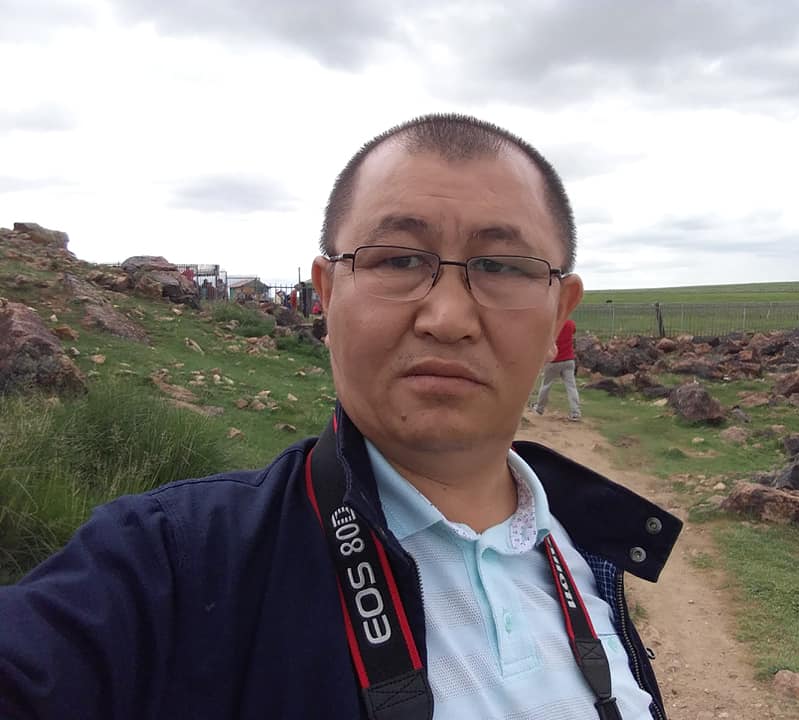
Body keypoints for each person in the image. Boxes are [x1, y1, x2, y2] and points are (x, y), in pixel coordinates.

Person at [0, 114, 681, 720]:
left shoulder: (587, 555)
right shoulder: (173, 565)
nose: (447, 318)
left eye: (502, 266)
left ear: (560, 315)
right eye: (398, 259)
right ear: (326, 295)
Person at [534, 317, 581, 420]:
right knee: (571, 387)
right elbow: (573, 331)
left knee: (546, 385)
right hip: (569, 360)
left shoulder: (550, 323)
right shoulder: (569, 323)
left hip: (553, 360)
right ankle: (575, 413)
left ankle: (539, 408)